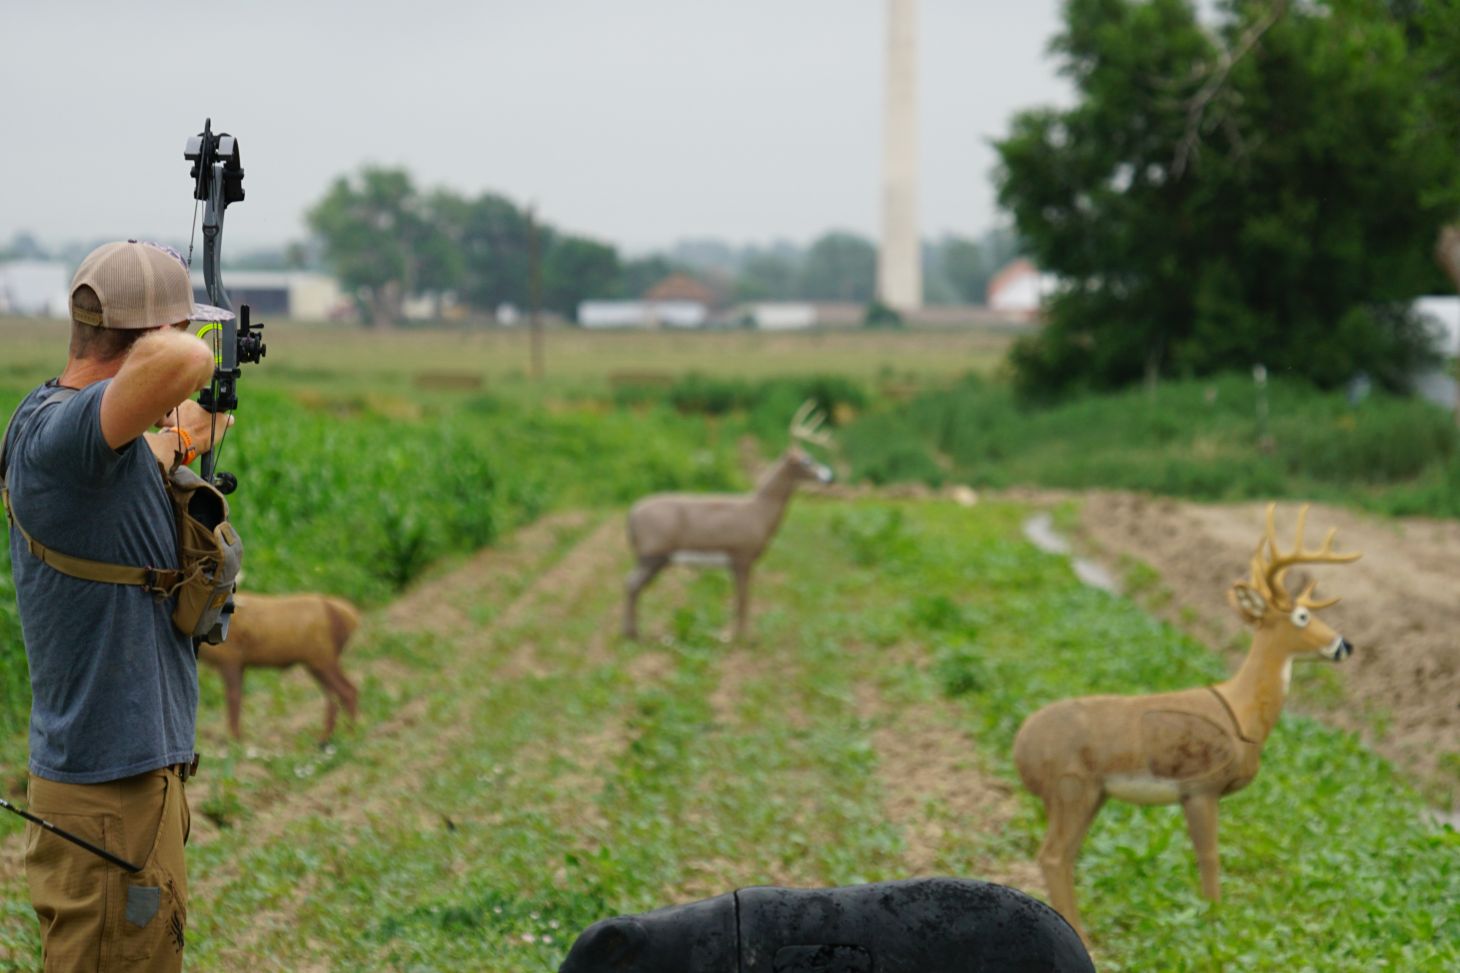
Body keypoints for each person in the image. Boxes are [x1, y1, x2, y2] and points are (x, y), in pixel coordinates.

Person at [1, 240, 232, 971]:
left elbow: (160, 435)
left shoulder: (88, 438)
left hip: (126, 785)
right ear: (146, 340)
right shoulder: (65, 436)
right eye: (174, 328)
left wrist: (181, 437)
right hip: (108, 797)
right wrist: (185, 355)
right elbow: (185, 366)